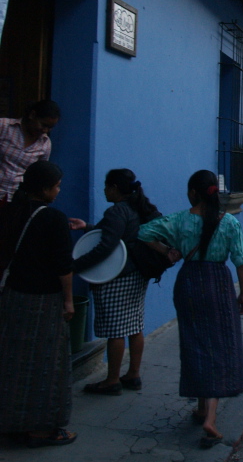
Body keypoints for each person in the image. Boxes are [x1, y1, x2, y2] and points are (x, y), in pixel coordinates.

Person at [138, 170, 243, 450]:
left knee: (196, 344)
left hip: (189, 283)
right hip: (218, 285)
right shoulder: (230, 223)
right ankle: (210, 417)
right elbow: (241, 260)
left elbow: (144, 232)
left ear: (193, 193)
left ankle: (201, 409)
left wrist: (166, 251)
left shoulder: (179, 220)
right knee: (220, 345)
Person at [0, 160, 77, 447]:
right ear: (45, 189)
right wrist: (69, 301)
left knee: (13, 363)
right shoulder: (53, 218)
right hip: (44, 303)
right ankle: (42, 428)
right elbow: (63, 266)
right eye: (56, 186)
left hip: (14, 298)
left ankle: (10, 421)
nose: (58, 190)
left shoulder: (10, 211)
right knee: (47, 366)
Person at [69, 169, 163, 395]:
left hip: (117, 277)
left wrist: (74, 266)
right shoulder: (137, 208)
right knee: (134, 326)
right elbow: (119, 234)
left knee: (116, 330)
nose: (103, 190)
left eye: (106, 186)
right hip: (136, 274)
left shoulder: (116, 211)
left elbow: (106, 246)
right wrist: (88, 227)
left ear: (114, 188)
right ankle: (133, 374)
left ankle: (111, 380)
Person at [0, 100, 61, 205]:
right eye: (43, 125)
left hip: (16, 200)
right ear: (32, 115)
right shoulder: (4, 127)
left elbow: (39, 174)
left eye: (50, 128)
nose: (45, 130)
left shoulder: (45, 144)